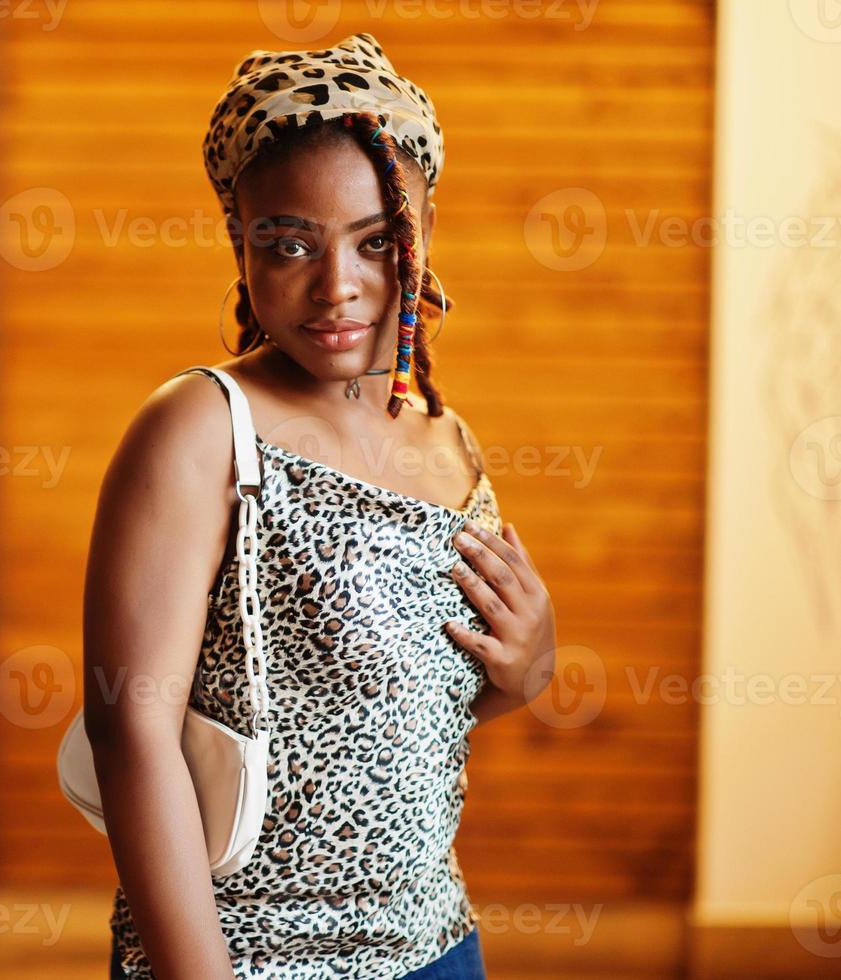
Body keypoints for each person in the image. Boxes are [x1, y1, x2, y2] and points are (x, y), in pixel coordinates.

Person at [82, 33, 559, 979]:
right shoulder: (202, 426)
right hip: (250, 956)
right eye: (290, 242)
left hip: (434, 946)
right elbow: (128, 727)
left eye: (376, 243)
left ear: (421, 238)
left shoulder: (446, 440)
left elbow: (408, 706)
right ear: (239, 241)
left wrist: (530, 666)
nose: (336, 286)